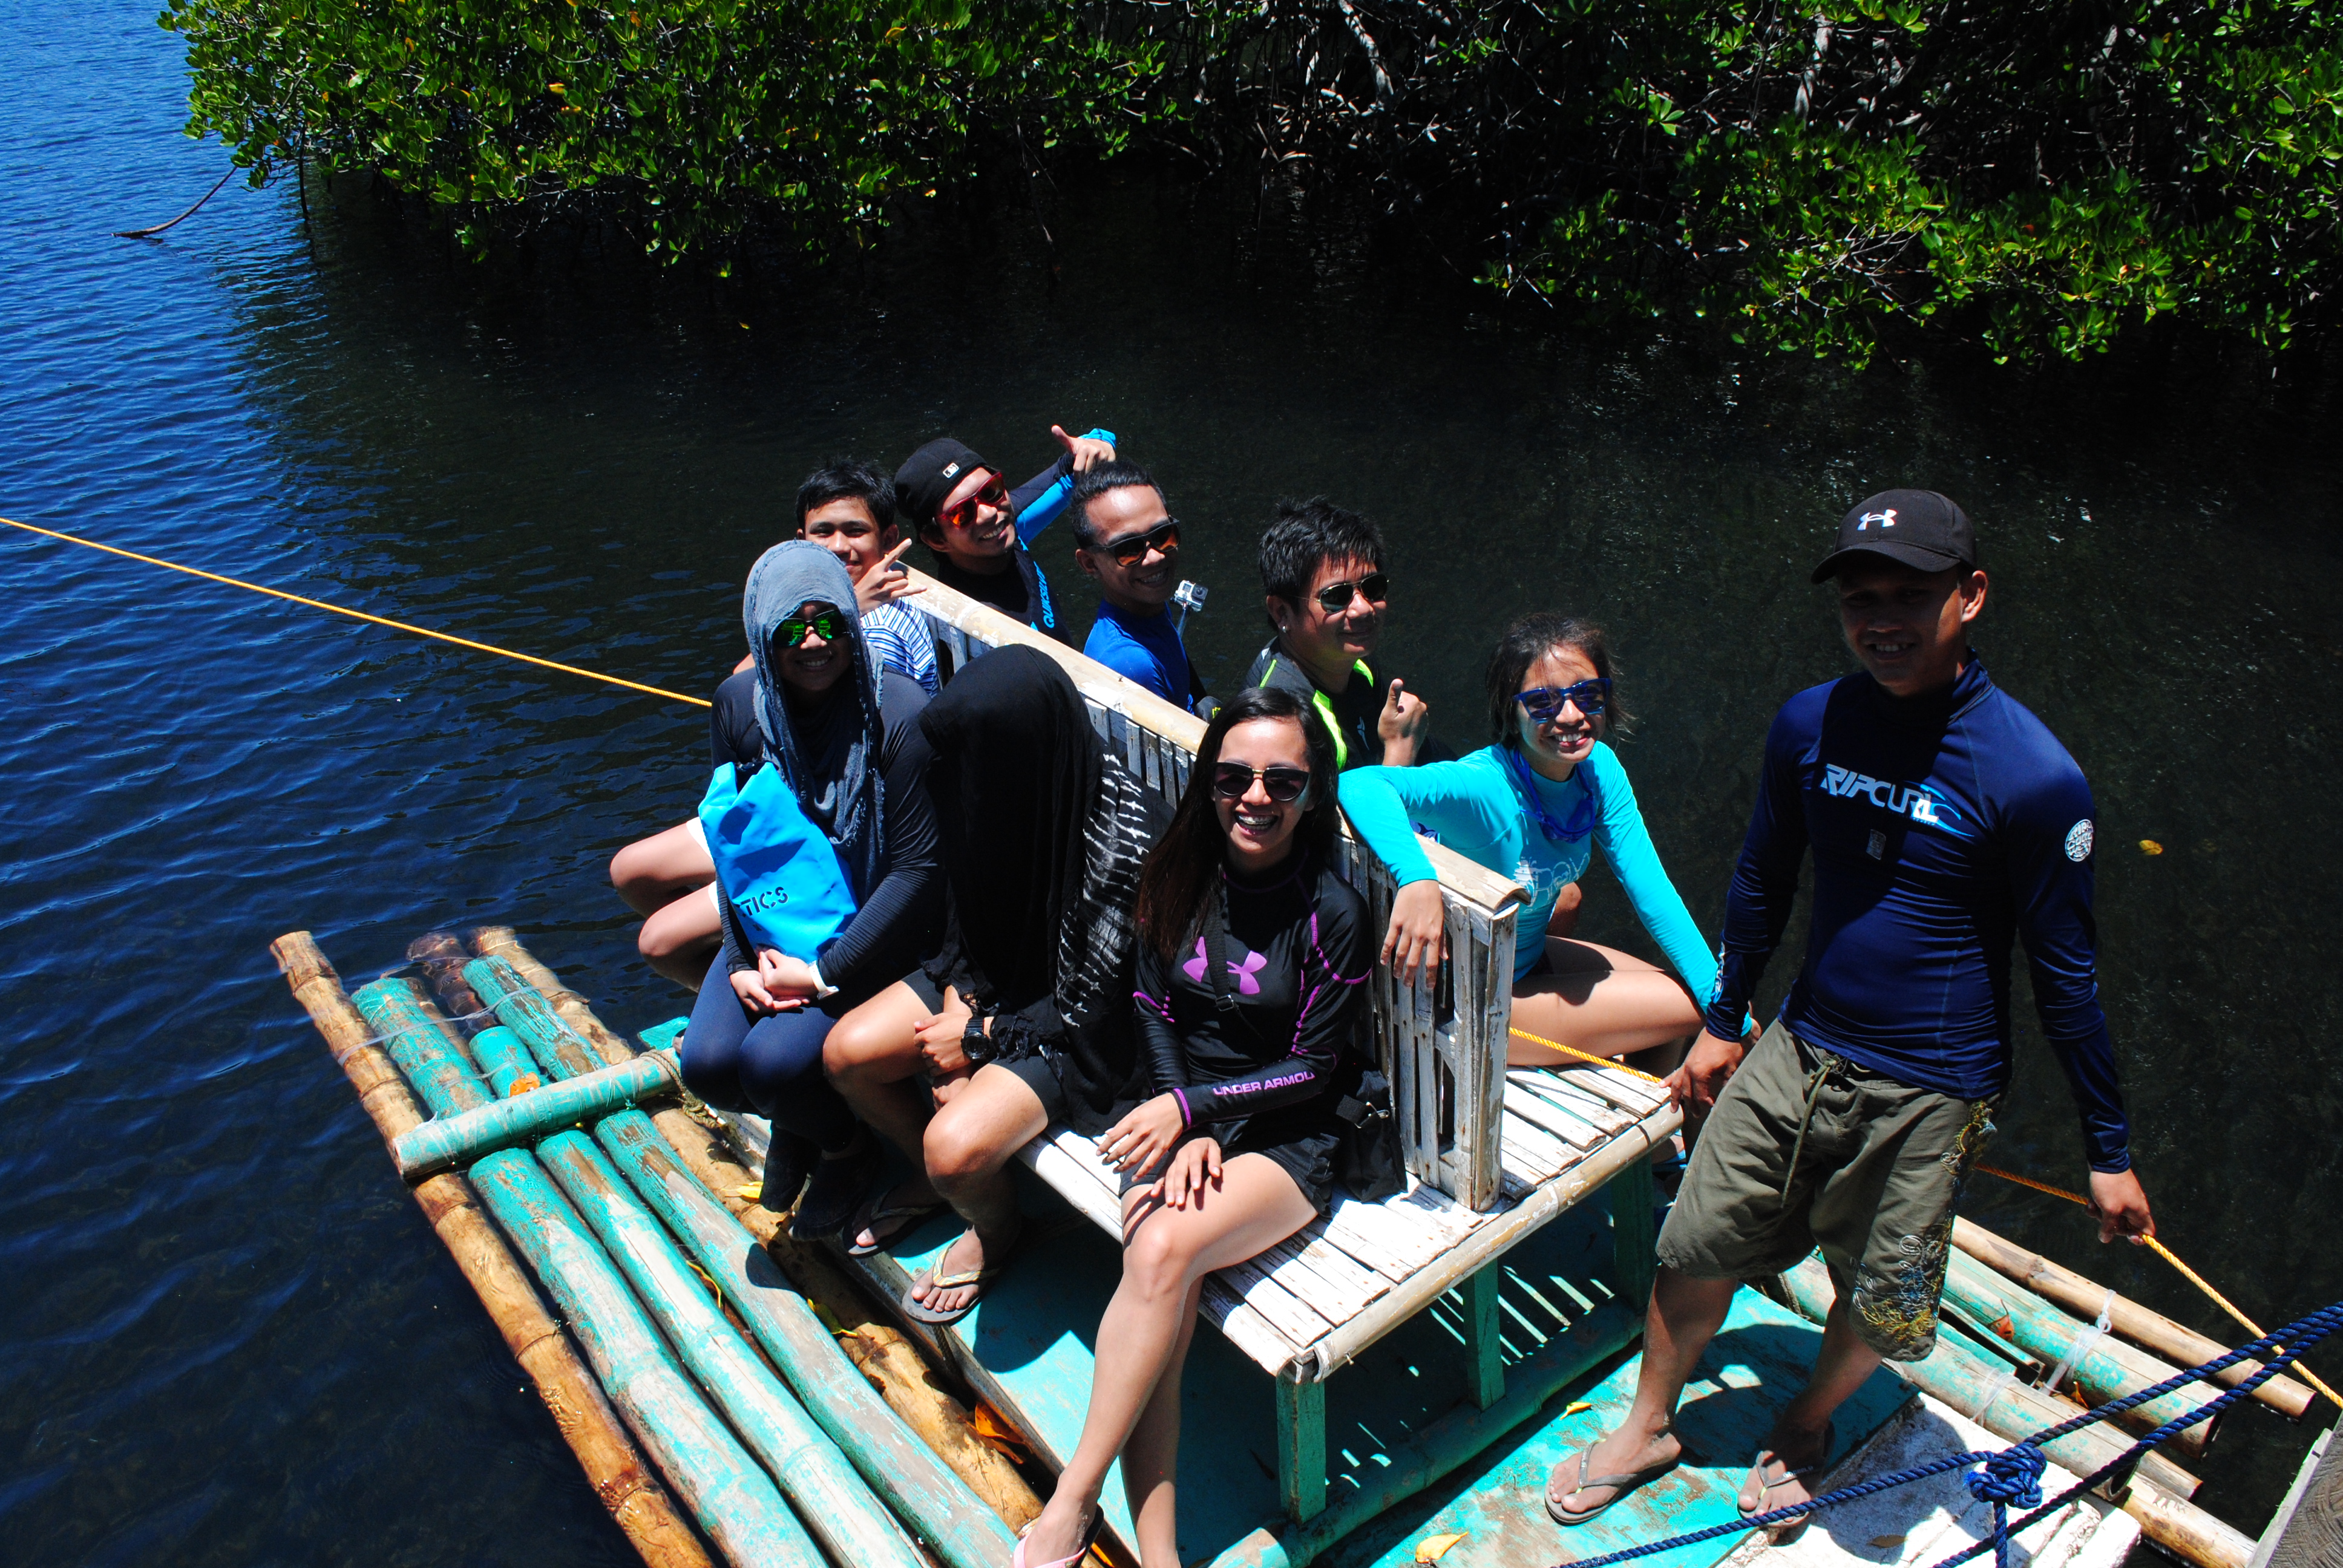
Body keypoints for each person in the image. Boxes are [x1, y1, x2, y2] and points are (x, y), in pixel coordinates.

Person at [1544, 491, 2155, 1537]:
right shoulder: (1810, 722)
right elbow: (1761, 879)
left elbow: (2066, 976)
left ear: (1970, 596)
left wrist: (2108, 1151)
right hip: (1801, 1041)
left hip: (1934, 1085)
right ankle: (1647, 1423)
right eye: (1859, 599)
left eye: (1908, 596)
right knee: (1696, 1236)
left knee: (1879, 1293)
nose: (1880, 619)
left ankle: (1807, 1423)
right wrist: (1725, 1019)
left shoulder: (2034, 777)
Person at [1014, 686, 1372, 1568]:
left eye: (1283, 781)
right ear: (1209, 783)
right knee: (1160, 1275)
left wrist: (1197, 1113)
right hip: (1182, 1110)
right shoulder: (1179, 872)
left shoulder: (1331, 912)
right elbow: (1152, 1006)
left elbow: (1314, 1068)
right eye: (1234, 777)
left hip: (1292, 1131)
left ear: (1313, 793)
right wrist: (1184, 1114)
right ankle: (1160, 1555)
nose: (1256, 797)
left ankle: (1073, 1499)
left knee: (1162, 1251)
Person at [821, 645, 1169, 1322]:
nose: (963, 772)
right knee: (847, 1055)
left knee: (954, 1148)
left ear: (1024, 747)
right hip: (993, 982)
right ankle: (934, 1183)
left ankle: (997, 1227)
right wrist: (962, 998)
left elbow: (1105, 1003)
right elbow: (961, 912)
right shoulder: (982, 777)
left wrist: (979, 1040)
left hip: (1080, 1024)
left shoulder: (1130, 842)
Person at [677, 541, 944, 1237]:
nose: (814, 641)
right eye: (791, 629)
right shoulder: (739, 708)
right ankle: (833, 1139)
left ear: (851, 624)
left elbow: (918, 871)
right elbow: (732, 841)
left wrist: (823, 973)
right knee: (706, 1065)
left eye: (829, 621)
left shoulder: (899, 714)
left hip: (877, 930)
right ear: (762, 636)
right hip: (779, 921)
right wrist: (742, 959)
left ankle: (838, 1149)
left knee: (770, 1064)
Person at [1339, 613, 1726, 1068]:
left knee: (1700, 991)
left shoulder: (1598, 770)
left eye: (1588, 695)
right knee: (1692, 1009)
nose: (1571, 715)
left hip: (1527, 961)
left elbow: (1651, 890)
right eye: (1543, 702)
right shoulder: (1483, 788)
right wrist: (1417, 878)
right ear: (1511, 710)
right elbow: (1360, 785)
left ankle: (1653, 1108)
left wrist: (1729, 1005)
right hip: (1470, 1002)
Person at [609, 462, 937, 987]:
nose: (839, 547)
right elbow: (747, 690)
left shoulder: (881, 630)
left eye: (855, 531)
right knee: (630, 868)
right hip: (784, 788)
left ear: (888, 538)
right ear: (800, 542)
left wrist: (848, 610)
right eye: (822, 533)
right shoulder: (799, 607)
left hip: (832, 817)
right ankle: (750, 969)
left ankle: (774, 972)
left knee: (660, 939)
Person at [1245, 497, 1433, 771]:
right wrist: (1399, 752)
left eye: (1373, 587)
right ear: (1282, 612)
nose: (1363, 608)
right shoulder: (1283, 723)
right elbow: (1330, 806)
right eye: (1335, 597)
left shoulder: (1354, 663)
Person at [895, 425, 1117, 638]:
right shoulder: (973, 626)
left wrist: (1098, 445)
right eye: (962, 513)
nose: (988, 513)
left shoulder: (1006, 523)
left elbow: (1078, 460)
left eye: (990, 491)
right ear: (936, 540)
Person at [1072, 460, 1211, 714]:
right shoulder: (1132, 666)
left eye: (1163, 535)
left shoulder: (1144, 605)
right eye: (1128, 549)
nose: (1155, 557)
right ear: (1090, 563)